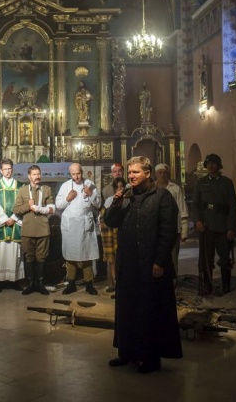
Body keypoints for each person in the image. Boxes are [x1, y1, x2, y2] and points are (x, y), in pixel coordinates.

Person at [105, 155, 182, 374]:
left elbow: (168, 232)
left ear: (147, 173)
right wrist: (116, 202)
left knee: (149, 312)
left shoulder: (162, 196)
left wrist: (159, 261)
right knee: (127, 310)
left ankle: (150, 358)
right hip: (128, 264)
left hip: (150, 264)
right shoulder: (127, 196)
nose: (131, 176)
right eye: (129, 172)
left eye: (136, 172)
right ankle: (126, 352)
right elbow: (110, 221)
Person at [191, 153, 236, 295]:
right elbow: (195, 204)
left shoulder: (227, 183)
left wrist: (231, 228)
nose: (211, 166)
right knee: (206, 259)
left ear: (219, 165)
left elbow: (232, 207)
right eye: (209, 163)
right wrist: (197, 221)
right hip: (207, 227)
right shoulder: (201, 182)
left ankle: (226, 287)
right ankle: (207, 287)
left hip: (223, 227)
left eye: (214, 163)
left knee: (225, 260)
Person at [55, 162, 101, 295]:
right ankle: (71, 283)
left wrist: (91, 194)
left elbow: (98, 204)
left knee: (87, 254)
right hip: (70, 226)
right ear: (70, 174)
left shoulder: (90, 184)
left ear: (82, 172)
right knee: (70, 255)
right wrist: (67, 199)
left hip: (85, 225)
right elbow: (58, 205)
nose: (76, 176)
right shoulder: (65, 186)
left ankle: (89, 283)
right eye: (73, 174)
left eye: (78, 173)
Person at [13, 164, 55, 295]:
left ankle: (40, 284)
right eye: (34, 174)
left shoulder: (47, 189)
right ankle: (31, 284)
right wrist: (28, 205)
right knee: (29, 257)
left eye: (38, 174)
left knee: (42, 257)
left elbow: (52, 209)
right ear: (29, 176)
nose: (37, 176)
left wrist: (40, 209)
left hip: (43, 228)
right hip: (28, 229)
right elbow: (16, 210)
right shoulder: (23, 190)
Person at [0, 158, 24, 293]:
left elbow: (22, 204)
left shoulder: (20, 186)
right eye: (5, 169)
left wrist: (13, 218)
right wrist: (4, 219)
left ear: (12, 170)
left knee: (14, 253)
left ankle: (14, 281)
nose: (8, 171)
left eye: (9, 169)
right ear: (1, 170)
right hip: (1, 224)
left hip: (15, 222)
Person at [155, 163, 189, 278]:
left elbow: (182, 209)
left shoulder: (175, 188)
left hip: (173, 230)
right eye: (160, 172)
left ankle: (173, 282)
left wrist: (184, 231)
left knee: (173, 258)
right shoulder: (152, 188)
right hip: (155, 229)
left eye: (165, 172)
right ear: (156, 174)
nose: (162, 175)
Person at [100, 163, 125, 292]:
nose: (117, 173)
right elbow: (104, 212)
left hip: (123, 229)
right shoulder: (106, 190)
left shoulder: (130, 188)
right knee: (111, 259)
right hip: (110, 229)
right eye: (115, 171)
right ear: (111, 173)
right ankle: (111, 284)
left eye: (119, 171)